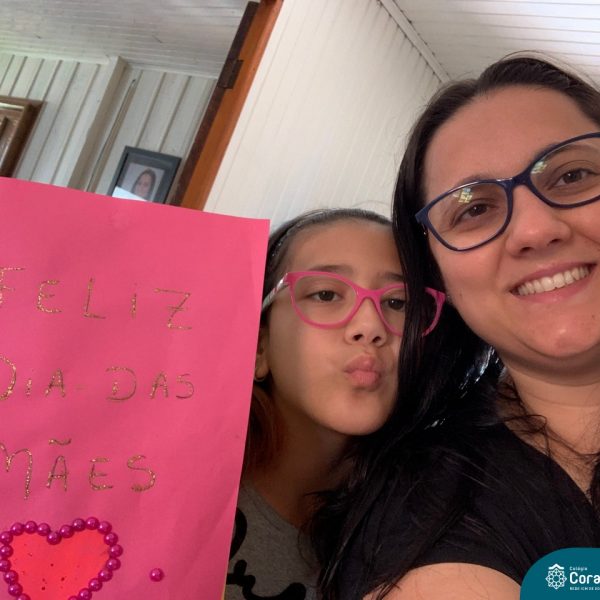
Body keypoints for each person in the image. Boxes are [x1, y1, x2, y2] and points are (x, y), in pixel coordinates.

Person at [316, 55, 600, 600]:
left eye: (572, 176)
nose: (535, 230)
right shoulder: (431, 513)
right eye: (472, 209)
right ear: (438, 276)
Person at [225, 208, 445, 600]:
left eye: (398, 303)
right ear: (259, 347)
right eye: (326, 294)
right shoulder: (170, 485)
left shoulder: (426, 532)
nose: (370, 327)